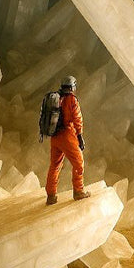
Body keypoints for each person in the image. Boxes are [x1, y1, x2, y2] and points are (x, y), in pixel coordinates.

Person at [45, 75, 89, 204]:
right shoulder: (72, 100)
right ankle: (78, 191)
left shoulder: (55, 98)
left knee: (55, 165)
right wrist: (80, 136)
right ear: (72, 87)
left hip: (55, 137)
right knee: (78, 163)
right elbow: (77, 118)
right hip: (67, 135)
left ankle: (51, 196)